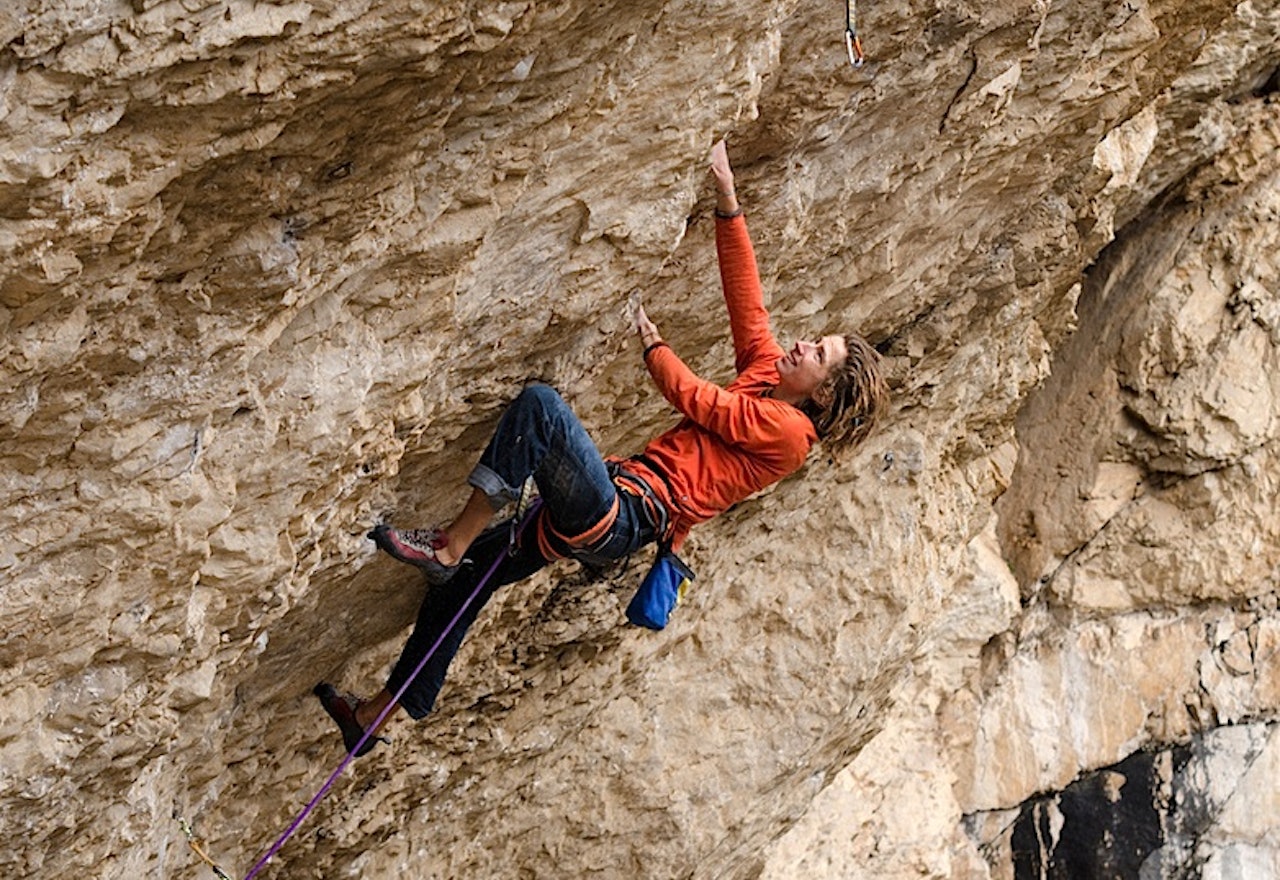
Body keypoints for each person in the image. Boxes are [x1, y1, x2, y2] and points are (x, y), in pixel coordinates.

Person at [315, 140, 890, 756]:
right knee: (465, 587)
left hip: (624, 513)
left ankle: (448, 544)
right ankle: (373, 716)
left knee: (541, 410)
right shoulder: (768, 376)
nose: (802, 344)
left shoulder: (788, 434)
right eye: (814, 340)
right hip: (614, 504)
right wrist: (727, 199)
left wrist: (653, 345)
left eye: (818, 354)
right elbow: (748, 303)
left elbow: (701, 402)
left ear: (823, 398)